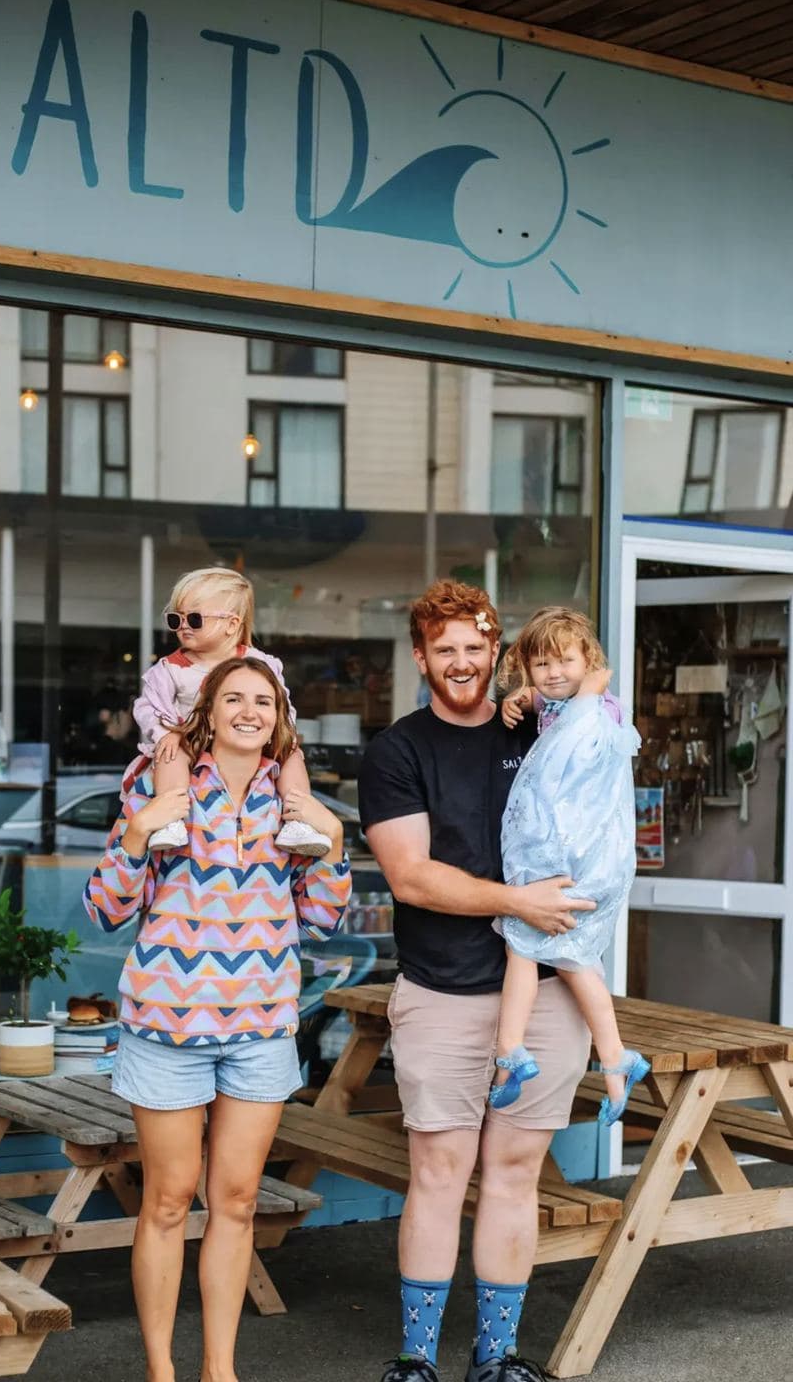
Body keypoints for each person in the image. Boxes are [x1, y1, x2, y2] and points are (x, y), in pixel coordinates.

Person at [84, 655, 351, 1382]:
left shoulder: (291, 801)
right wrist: (139, 833)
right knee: (168, 1202)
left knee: (234, 1203)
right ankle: (162, 1370)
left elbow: (323, 919)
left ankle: (220, 1371)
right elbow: (105, 910)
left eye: (262, 700)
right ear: (205, 710)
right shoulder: (158, 783)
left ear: (278, 717)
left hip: (261, 1030)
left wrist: (332, 840)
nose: (248, 710)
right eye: (232, 697)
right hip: (166, 1028)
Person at [358, 580, 596, 1382]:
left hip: (550, 994)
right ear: (422, 657)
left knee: (516, 1173)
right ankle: (415, 1359)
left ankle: (497, 1358)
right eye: (445, 649)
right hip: (442, 991)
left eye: (475, 646)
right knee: (438, 1173)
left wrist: (560, 694)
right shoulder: (398, 751)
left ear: (497, 651)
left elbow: (597, 692)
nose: (462, 662)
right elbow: (412, 877)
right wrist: (516, 900)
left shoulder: (539, 731)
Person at [494, 607, 646, 1126]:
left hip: (575, 864)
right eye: (540, 665)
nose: (553, 673)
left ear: (590, 662)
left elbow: (571, 778)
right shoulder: (564, 705)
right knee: (576, 961)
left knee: (525, 945)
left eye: (564, 661)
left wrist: (581, 696)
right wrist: (523, 697)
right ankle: (614, 1061)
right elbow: (548, 703)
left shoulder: (597, 711)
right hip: (578, 865)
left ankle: (510, 1050)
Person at [133, 566, 332, 856]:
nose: (183, 626)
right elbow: (148, 706)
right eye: (176, 619)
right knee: (170, 753)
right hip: (191, 741)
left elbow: (280, 703)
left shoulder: (260, 663)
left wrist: (283, 735)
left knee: (291, 755)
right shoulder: (170, 669)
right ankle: (171, 817)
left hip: (250, 749)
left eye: (195, 619)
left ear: (231, 624)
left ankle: (297, 818)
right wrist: (166, 733)